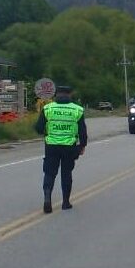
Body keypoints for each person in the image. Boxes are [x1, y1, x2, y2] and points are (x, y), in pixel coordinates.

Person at [35, 85, 88, 213]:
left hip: (51, 146)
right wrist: (82, 146)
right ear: (70, 95)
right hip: (69, 146)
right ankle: (65, 202)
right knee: (66, 174)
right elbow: (82, 131)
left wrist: (47, 131)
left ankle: (47, 198)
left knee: (49, 173)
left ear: (56, 95)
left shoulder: (48, 108)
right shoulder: (77, 110)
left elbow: (38, 128)